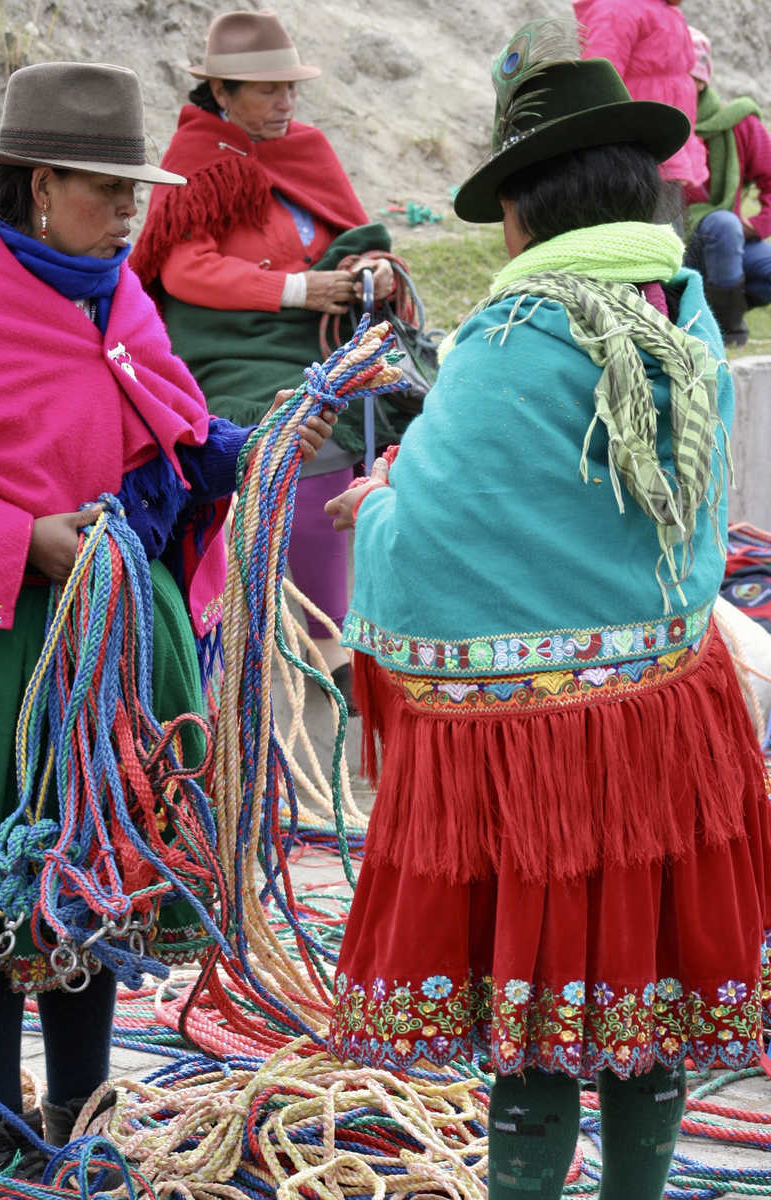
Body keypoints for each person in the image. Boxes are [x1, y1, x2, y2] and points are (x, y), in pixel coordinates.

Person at [325, 25, 771, 1200]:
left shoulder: (512, 339)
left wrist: (376, 505)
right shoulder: (676, 313)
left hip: (539, 768)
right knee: (649, 1011)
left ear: (525, 211)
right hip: (671, 729)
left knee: (533, 1034)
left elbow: (434, 536)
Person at [0, 59, 334, 1181]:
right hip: (6, 642)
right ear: (38, 186)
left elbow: (164, 426)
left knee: (102, 871)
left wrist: (249, 447)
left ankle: (82, 1107)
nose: (133, 211)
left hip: (124, 627)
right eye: (107, 189)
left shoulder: (113, 288)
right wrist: (22, 539)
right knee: (0, 888)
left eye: (137, 188)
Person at [132, 10, 407, 705]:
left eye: (290, 88)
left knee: (402, 406)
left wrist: (374, 267)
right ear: (221, 92)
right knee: (304, 431)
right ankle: (321, 634)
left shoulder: (305, 148)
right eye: (266, 91)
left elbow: (352, 229)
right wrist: (295, 288)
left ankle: (362, 617)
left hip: (315, 330)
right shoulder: (198, 161)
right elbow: (183, 270)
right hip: (232, 341)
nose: (285, 103)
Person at [572, 0, 707, 230]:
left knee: (667, 246)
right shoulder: (616, 9)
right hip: (631, 159)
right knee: (648, 245)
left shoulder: (665, 11)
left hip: (661, 150)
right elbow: (599, 85)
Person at [683, 26, 771, 347]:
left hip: (728, 244)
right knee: (722, 224)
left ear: (704, 79)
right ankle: (728, 330)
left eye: (692, 76)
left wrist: (756, 224)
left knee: (728, 229)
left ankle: (713, 307)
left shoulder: (739, 123)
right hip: (674, 246)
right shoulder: (657, 121)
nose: (685, 84)